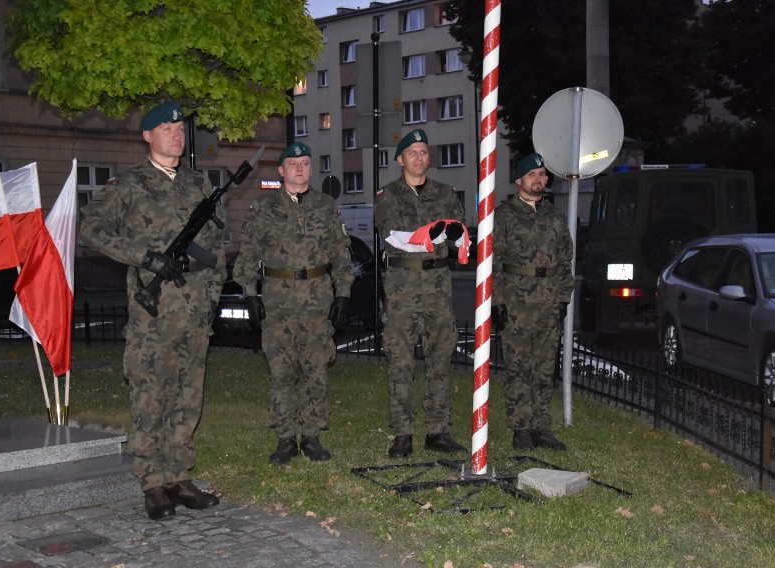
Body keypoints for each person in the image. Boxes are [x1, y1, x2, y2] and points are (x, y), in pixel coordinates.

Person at [79, 101, 226, 520]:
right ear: (147, 136)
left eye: (180, 128)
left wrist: (212, 298)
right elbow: (91, 227)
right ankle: (152, 483)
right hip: (154, 314)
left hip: (195, 313)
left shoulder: (198, 185)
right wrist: (144, 257)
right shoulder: (129, 185)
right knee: (150, 396)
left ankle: (178, 476)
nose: (176, 135)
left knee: (188, 395)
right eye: (166, 128)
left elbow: (216, 248)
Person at [233, 141, 354, 465]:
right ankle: (285, 438)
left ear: (310, 168)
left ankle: (312, 436)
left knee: (316, 371)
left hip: (317, 301)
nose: (300, 169)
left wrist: (343, 294)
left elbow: (343, 257)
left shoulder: (326, 207)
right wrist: (249, 294)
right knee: (282, 373)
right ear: (282, 170)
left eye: (305, 163)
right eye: (293, 164)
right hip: (278, 303)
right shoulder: (264, 209)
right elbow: (247, 258)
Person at [374, 128, 468, 459]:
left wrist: (447, 235)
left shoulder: (446, 193)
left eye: (424, 152)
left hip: (438, 287)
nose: (419, 157)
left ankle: (438, 432)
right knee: (400, 363)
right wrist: (437, 233)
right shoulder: (388, 196)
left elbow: (459, 235)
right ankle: (402, 434)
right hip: (402, 287)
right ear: (400, 159)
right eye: (412, 152)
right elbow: (397, 236)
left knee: (440, 361)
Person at [491, 153, 574, 451]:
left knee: (544, 367)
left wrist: (564, 296)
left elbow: (566, 258)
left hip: (549, 302)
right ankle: (521, 428)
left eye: (542, 174)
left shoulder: (554, 217)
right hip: (517, 302)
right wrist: (497, 301)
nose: (539, 179)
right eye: (532, 175)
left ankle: (542, 426)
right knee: (518, 366)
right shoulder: (504, 217)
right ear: (519, 180)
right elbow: (493, 261)